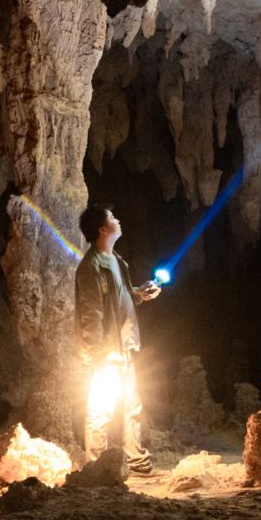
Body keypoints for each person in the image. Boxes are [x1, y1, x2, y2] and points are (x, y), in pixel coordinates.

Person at [73, 203, 160, 474]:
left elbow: (118, 296)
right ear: (102, 229)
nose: (118, 220)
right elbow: (91, 314)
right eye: (113, 217)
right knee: (102, 409)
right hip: (107, 351)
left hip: (125, 345)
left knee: (132, 406)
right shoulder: (91, 267)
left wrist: (139, 294)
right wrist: (97, 355)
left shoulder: (116, 260)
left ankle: (136, 459)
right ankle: (97, 465)